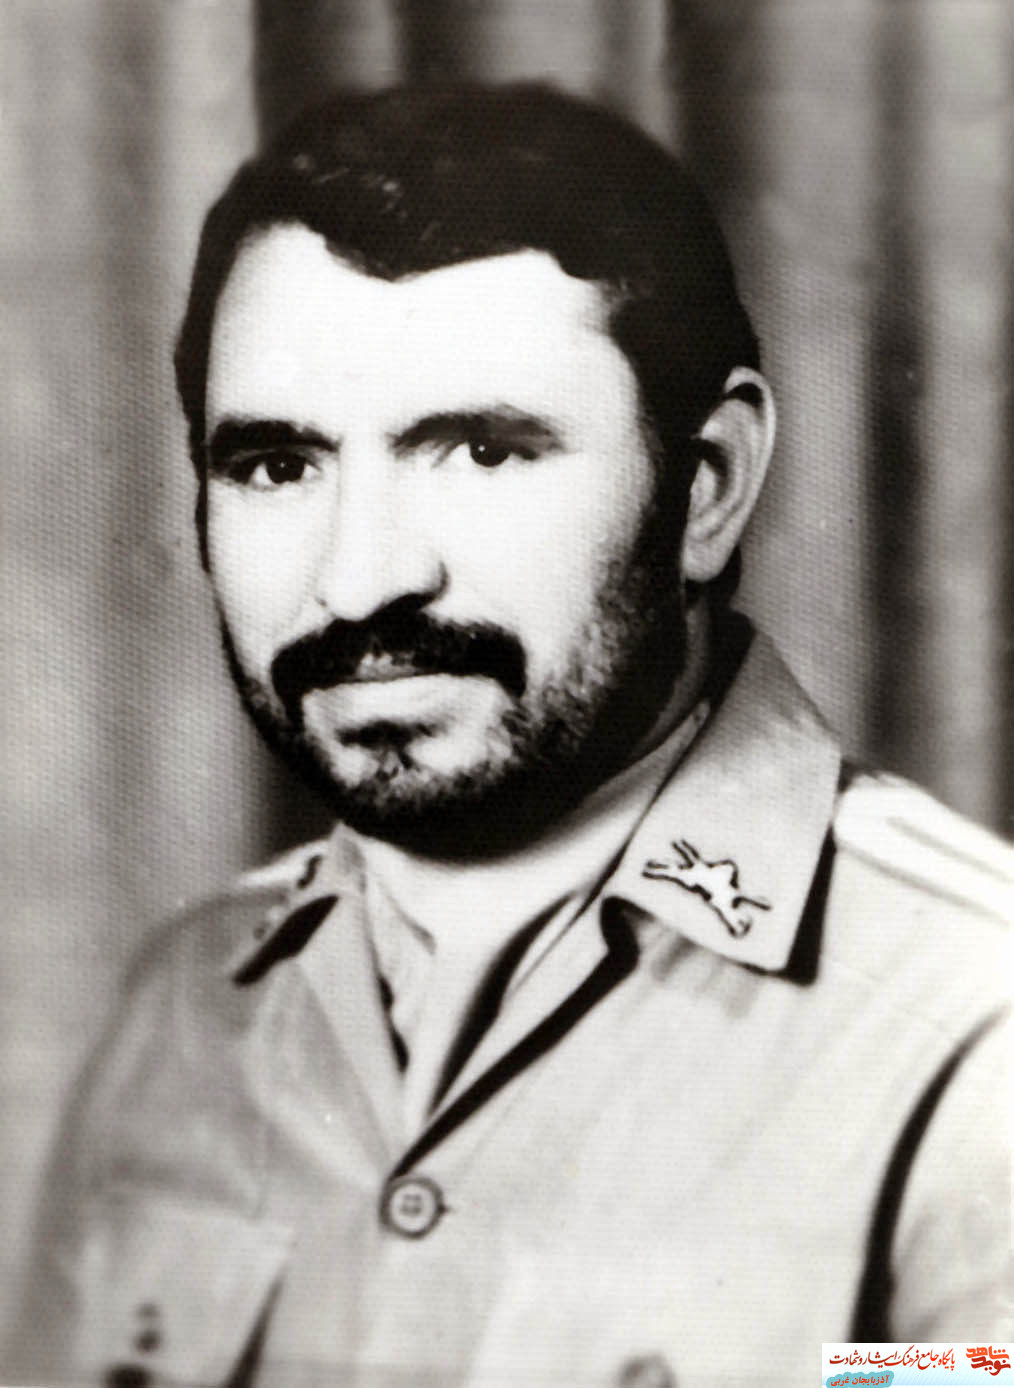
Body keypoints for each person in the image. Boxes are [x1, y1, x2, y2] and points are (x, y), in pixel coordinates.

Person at [6, 83, 1011, 1388]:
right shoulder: (185, 1008)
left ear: (705, 489)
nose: (361, 582)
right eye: (277, 467)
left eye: (481, 452)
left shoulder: (972, 1018)